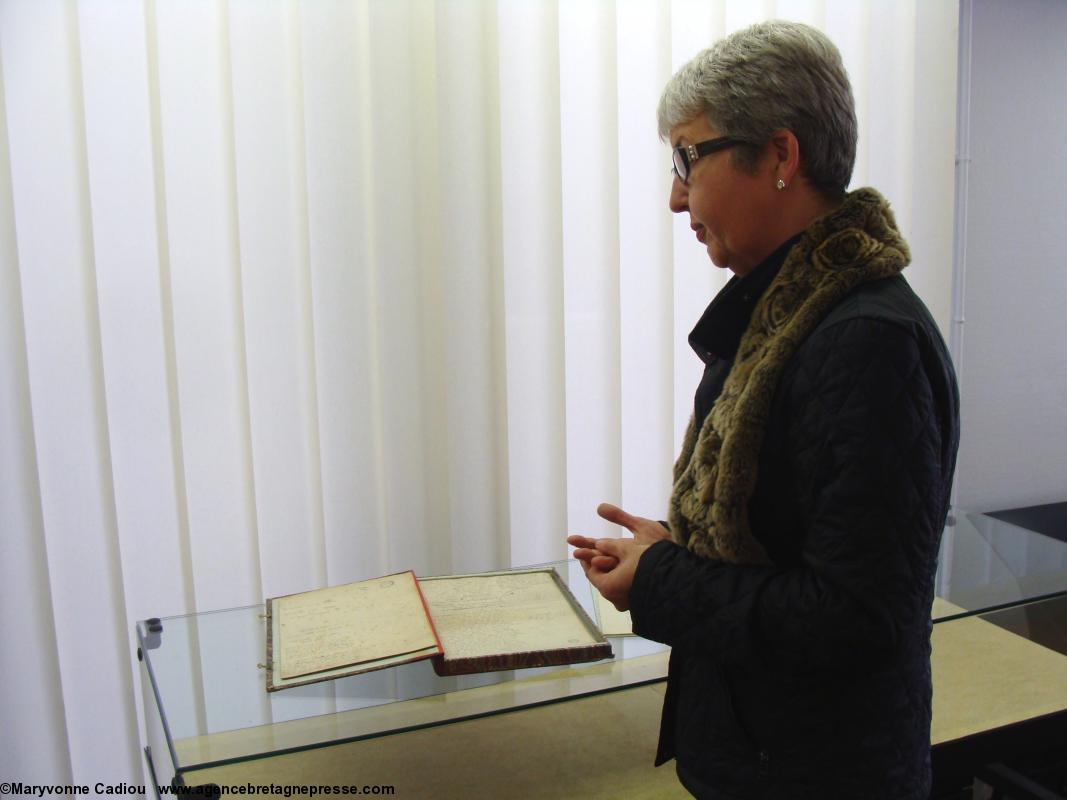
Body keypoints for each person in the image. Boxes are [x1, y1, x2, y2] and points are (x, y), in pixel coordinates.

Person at [568, 20, 960, 800]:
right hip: (768, 756)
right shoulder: (788, 315)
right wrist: (668, 554)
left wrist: (663, 580)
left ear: (780, 156)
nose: (675, 197)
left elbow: (855, 618)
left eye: (687, 158)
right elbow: (782, 541)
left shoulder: (863, 341)